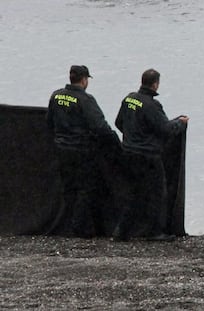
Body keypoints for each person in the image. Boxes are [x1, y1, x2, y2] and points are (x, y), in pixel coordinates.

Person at [114, 68, 189, 242]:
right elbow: (165, 129)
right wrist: (180, 123)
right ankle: (154, 231)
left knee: (134, 193)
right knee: (157, 192)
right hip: (148, 156)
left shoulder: (129, 99)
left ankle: (122, 231)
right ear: (155, 84)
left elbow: (119, 122)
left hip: (128, 153)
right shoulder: (152, 105)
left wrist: (132, 137)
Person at [47, 65, 119, 238]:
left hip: (61, 149)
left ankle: (67, 225)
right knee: (85, 189)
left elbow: (49, 121)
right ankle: (81, 228)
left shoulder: (56, 95)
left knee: (69, 188)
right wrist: (116, 144)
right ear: (84, 80)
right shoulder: (86, 99)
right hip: (81, 150)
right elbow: (100, 126)